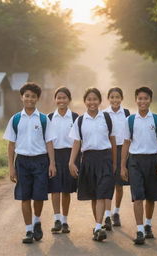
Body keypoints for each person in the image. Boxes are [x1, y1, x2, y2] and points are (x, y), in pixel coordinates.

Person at [3, 82, 56, 244]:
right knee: (24, 197)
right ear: (22, 97)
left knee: (39, 196)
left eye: (33, 96)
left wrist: (52, 163)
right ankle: (28, 231)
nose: (30, 99)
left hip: (40, 161)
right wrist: (11, 167)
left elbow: (49, 143)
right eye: (27, 96)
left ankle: (37, 221)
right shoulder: (16, 119)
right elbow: (11, 145)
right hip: (22, 162)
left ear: (37, 98)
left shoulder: (43, 119)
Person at [121, 86, 157, 245]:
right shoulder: (130, 120)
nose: (142, 101)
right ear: (136, 100)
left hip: (152, 160)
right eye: (140, 98)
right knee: (138, 196)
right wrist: (123, 166)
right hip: (135, 161)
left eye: (145, 98)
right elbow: (126, 144)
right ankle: (140, 230)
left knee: (151, 196)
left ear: (150, 100)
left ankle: (148, 224)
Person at [69, 87, 116, 242]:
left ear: (100, 101)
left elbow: (113, 141)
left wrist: (114, 162)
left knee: (103, 192)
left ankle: (97, 227)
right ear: (85, 101)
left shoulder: (107, 118)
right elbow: (77, 142)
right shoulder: (80, 120)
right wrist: (71, 162)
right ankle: (98, 226)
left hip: (105, 158)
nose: (92, 102)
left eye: (95, 99)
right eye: (89, 99)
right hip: (88, 159)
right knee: (95, 195)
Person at [48, 86, 79, 234]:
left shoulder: (75, 117)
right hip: (53, 156)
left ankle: (65, 221)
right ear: (55, 100)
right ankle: (57, 220)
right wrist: (50, 161)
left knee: (66, 190)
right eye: (59, 98)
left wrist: (73, 161)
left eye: (64, 98)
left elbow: (78, 140)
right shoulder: (49, 118)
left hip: (70, 156)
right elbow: (46, 141)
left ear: (69, 100)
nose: (61, 100)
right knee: (55, 189)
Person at [103, 87, 130, 230]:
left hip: (122, 150)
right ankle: (107, 215)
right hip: (107, 151)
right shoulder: (103, 114)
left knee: (119, 185)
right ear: (108, 98)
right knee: (108, 183)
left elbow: (129, 135)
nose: (115, 100)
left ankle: (116, 213)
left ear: (121, 98)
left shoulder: (126, 113)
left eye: (117, 97)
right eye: (112, 97)